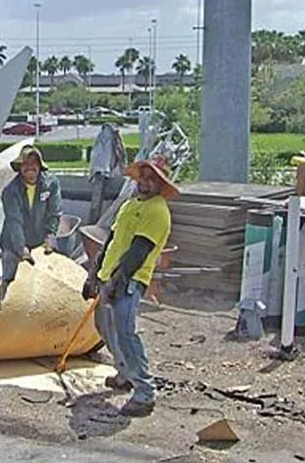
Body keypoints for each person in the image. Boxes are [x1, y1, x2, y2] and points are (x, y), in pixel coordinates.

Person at [83, 154, 179, 417]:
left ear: (161, 186)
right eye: (144, 178)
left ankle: (145, 391)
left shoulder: (157, 211)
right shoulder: (130, 205)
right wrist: (94, 273)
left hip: (129, 280)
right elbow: (111, 240)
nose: (146, 183)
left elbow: (138, 251)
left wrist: (118, 280)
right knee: (103, 327)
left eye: (152, 180)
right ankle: (124, 372)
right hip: (108, 276)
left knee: (126, 333)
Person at [0, 145, 62, 299]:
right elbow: (14, 221)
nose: (30, 168)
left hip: (39, 241)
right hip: (13, 243)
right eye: (25, 164)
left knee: (38, 286)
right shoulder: (10, 190)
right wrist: (22, 249)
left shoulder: (51, 184)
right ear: (20, 167)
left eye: (34, 163)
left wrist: (50, 236)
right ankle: (6, 315)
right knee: (10, 280)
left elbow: (54, 213)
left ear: (40, 166)